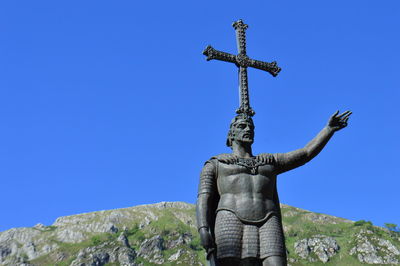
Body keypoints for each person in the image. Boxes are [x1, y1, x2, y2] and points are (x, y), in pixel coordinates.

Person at [196, 110, 352, 266]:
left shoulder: (269, 162)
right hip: (231, 219)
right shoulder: (216, 164)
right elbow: (204, 197)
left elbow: (305, 154)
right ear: (231, 133)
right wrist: (203, 228)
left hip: (268, 220)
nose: (248, 130)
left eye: (251, 127)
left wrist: (328, 130)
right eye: (242, 126)